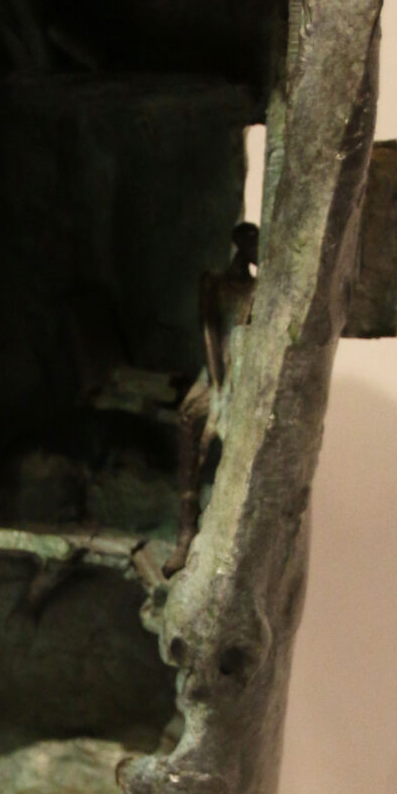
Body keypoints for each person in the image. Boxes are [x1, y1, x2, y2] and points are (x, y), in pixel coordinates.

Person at [167, 222, 258, 576]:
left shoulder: (258, 292)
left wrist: (232, 394)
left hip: (241, 380)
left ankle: (228, 538)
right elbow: (211, 337)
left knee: (240, 438)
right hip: (216, 376)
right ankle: (185, 532)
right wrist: (218, 393)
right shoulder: (214, 284)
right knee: (190, 418)